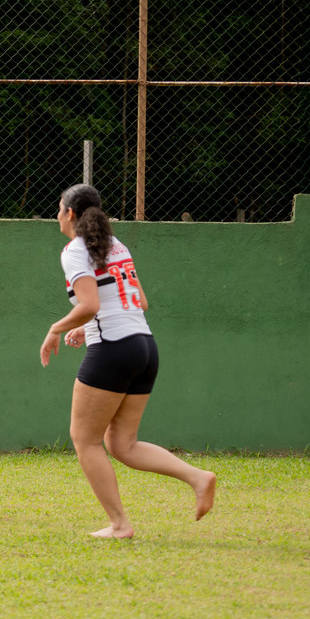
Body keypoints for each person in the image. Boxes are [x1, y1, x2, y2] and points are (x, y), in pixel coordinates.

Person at [39, 183, 215, 539]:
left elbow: (90, 305)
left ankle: (120, 524)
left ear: (70, 214)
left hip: (113, 349)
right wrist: (83, 324)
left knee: (85, 440)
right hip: (144, 347)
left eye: (59, 208)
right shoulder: (116, 246)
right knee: (122, 444)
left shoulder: (75, 249)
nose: (57, 215)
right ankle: (198, 477)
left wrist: (56, 328)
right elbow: (139, 303)